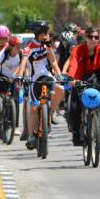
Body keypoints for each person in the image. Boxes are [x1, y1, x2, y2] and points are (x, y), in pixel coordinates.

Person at [66, 27, 100, 146]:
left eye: (96, 37)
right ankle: (76, 132)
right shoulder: (78, 50)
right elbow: (73, 64)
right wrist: (71, 78)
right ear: (86, 38)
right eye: (90, 37)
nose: (93, 40)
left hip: (98, 78)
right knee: (74, 106)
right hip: (80, 78)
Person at [17, 21, 65, 149]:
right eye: (46, 33)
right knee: (33, 108)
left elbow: (53, 62)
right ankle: (32, 136)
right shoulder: (29, 47)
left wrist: (59, 75)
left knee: (60, 89)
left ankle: (51, 112)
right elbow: (23, 62)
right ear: (40, 34)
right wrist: (19, 77)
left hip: (47, 77)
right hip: (34, 80)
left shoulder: (47, 46)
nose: (47, 35)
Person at [0, 36, 23, 118]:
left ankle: (16, 125)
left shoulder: (21, 54)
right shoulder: (4, 53)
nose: (19, 49)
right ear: (11, 46)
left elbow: (22, 66)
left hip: (14, 77)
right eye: (17, 47)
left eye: (20, 47)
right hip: (1, 75)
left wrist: (16, 76)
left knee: (15, 99)